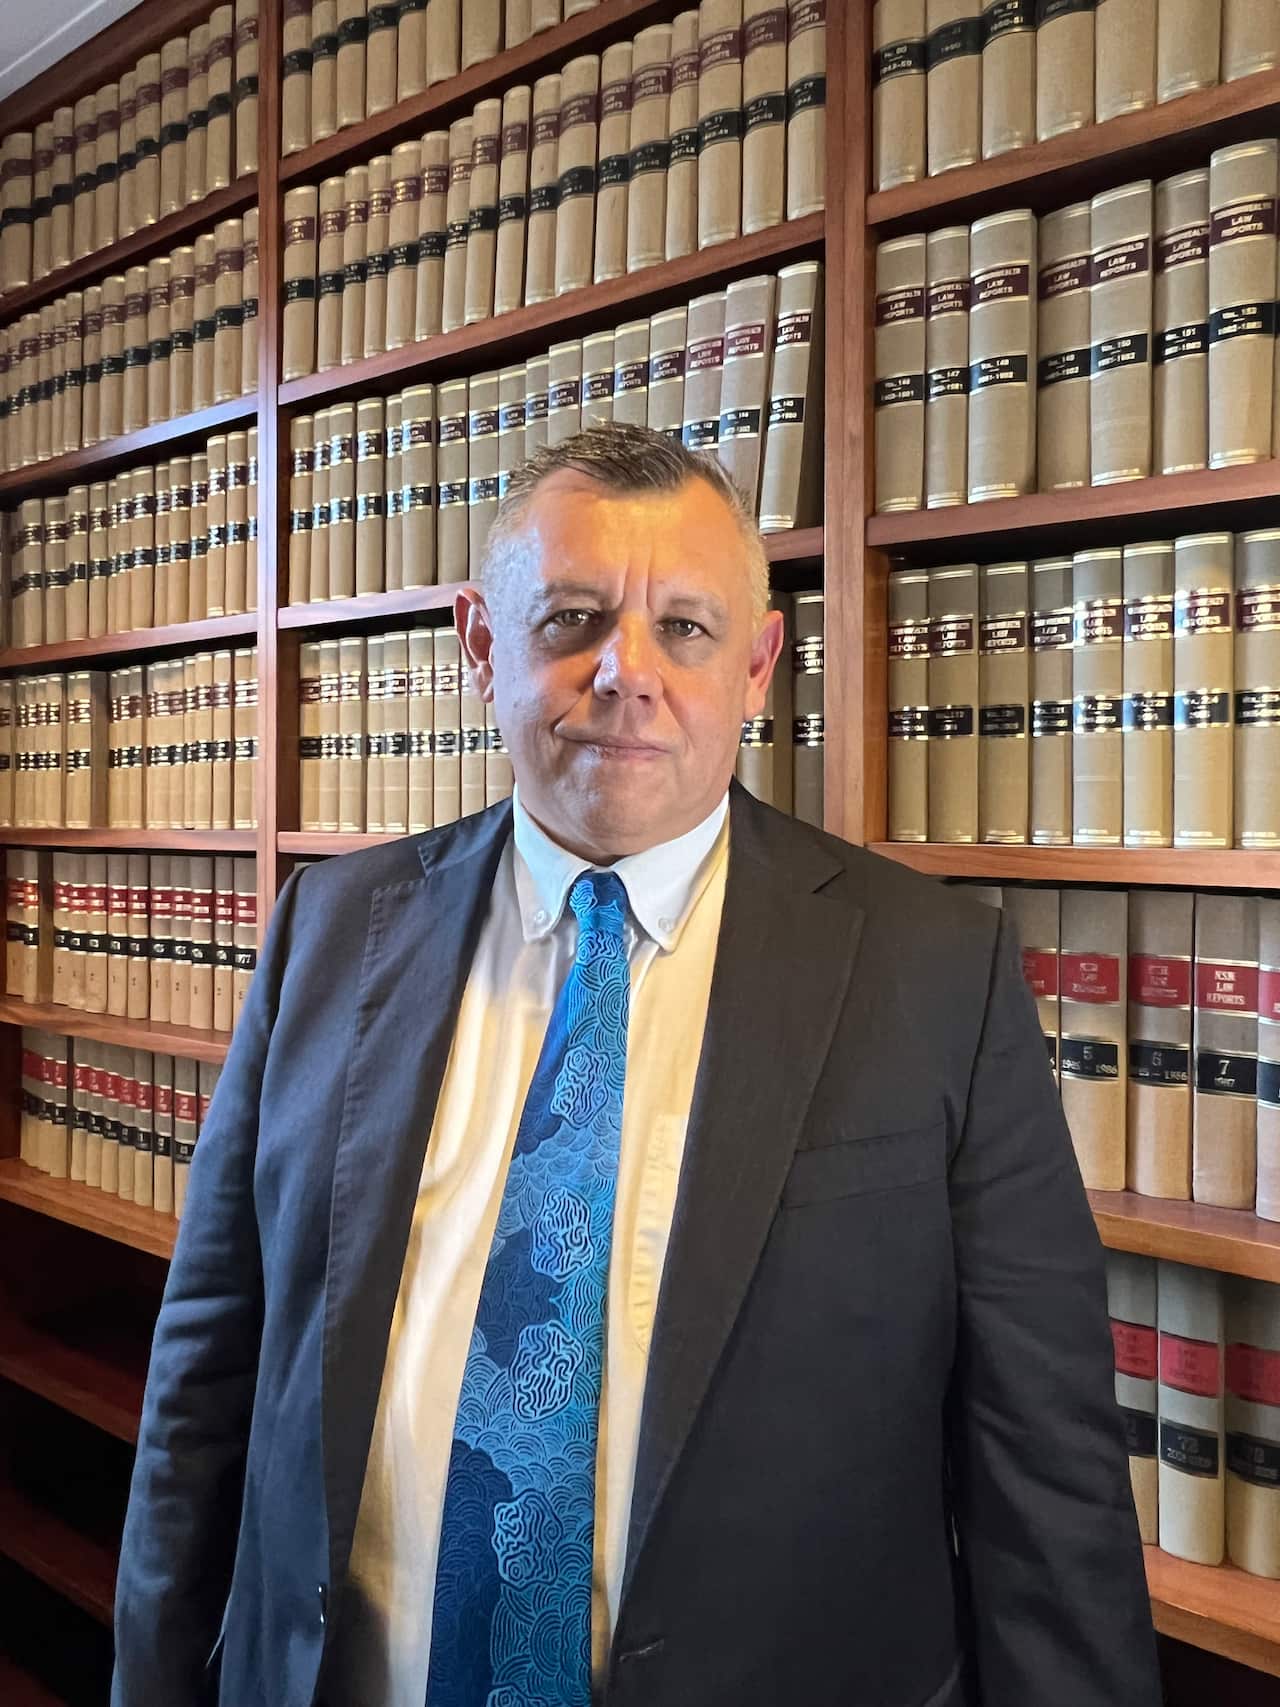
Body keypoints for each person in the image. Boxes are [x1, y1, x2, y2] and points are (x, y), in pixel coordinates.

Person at [112, 423, 1161, 1707]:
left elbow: (1045, 1482)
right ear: (480, 643)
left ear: (761, 665)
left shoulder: (934, 973)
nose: (627, 674)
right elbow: (203, 1387)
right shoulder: (329, 931)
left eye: (686, 628)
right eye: (569, 620)